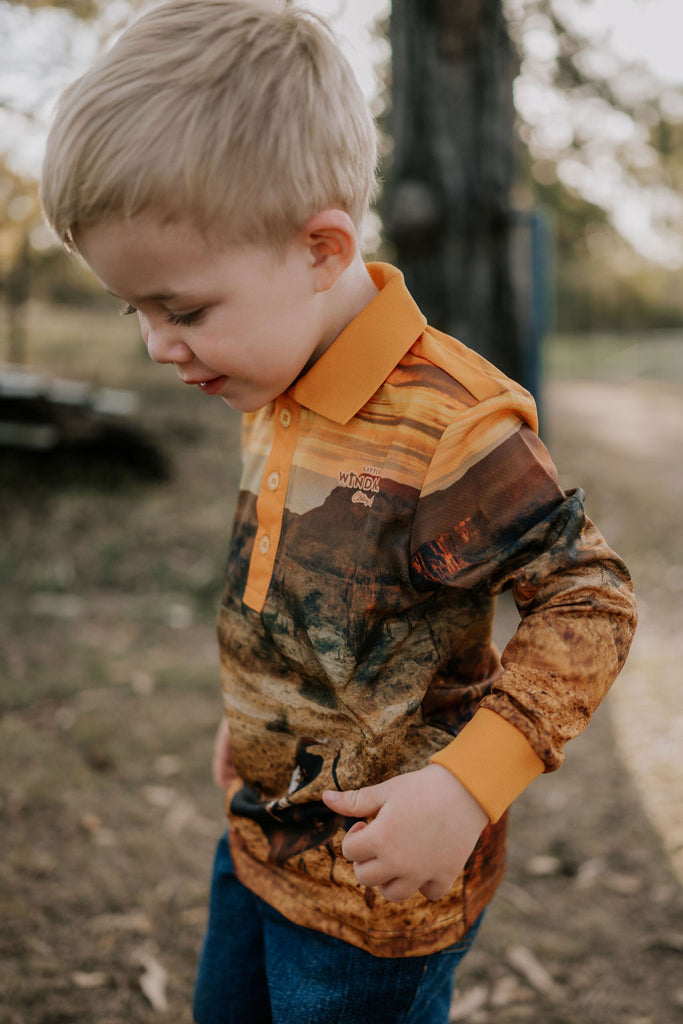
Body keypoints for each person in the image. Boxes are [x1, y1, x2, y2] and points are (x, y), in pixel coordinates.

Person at [40, 2, 638, 1021]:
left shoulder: (453, 421)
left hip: (377, 893)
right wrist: (273, 713)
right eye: (131, 309)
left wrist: (464, 785)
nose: (154, 345)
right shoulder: (265, 377)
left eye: (181, 309)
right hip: (262, 829)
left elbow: (591, 602)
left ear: (321, 248)